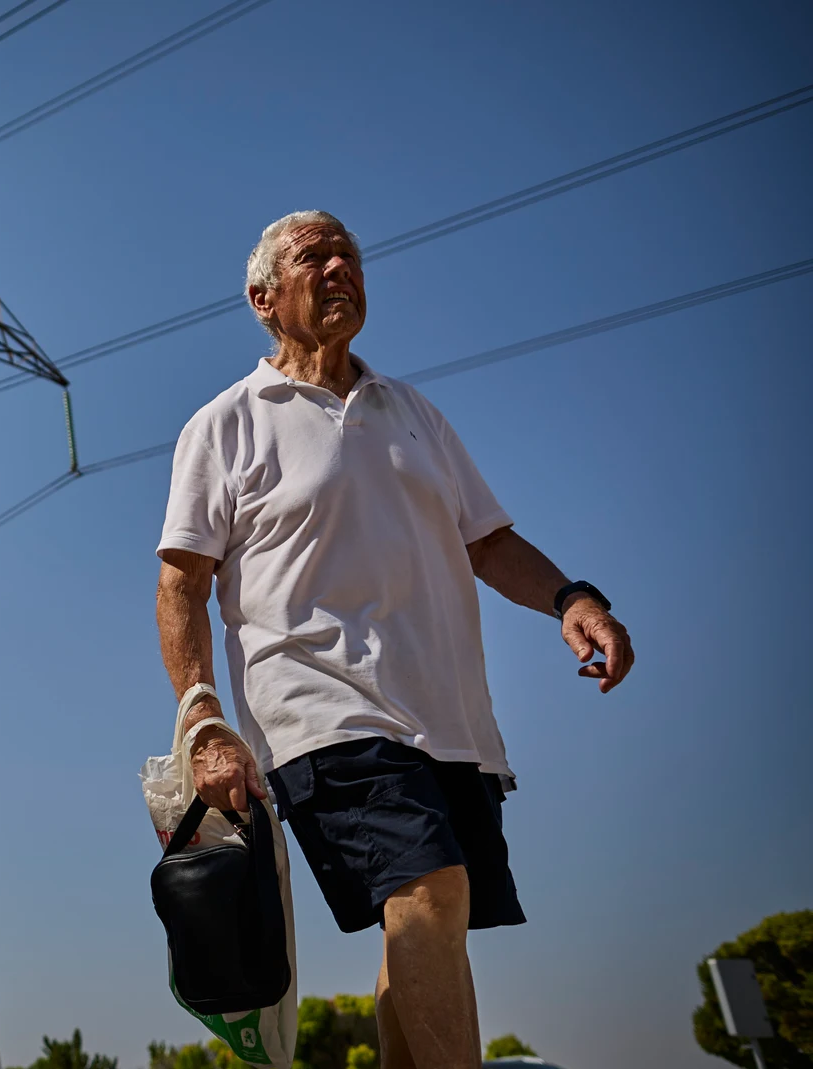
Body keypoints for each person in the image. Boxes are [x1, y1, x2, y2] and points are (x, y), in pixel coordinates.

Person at [153, 211, 634, 1069]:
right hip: (320, 712)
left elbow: (485, 540)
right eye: (316, 256)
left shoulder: (413, 412)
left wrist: (570, 596)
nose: (341, 265)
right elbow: (181, 582)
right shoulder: (225, 424)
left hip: (449, 720)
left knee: (423, 927)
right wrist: (202, 719)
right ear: (265, 299)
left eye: (351, 255)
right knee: (428, 890)